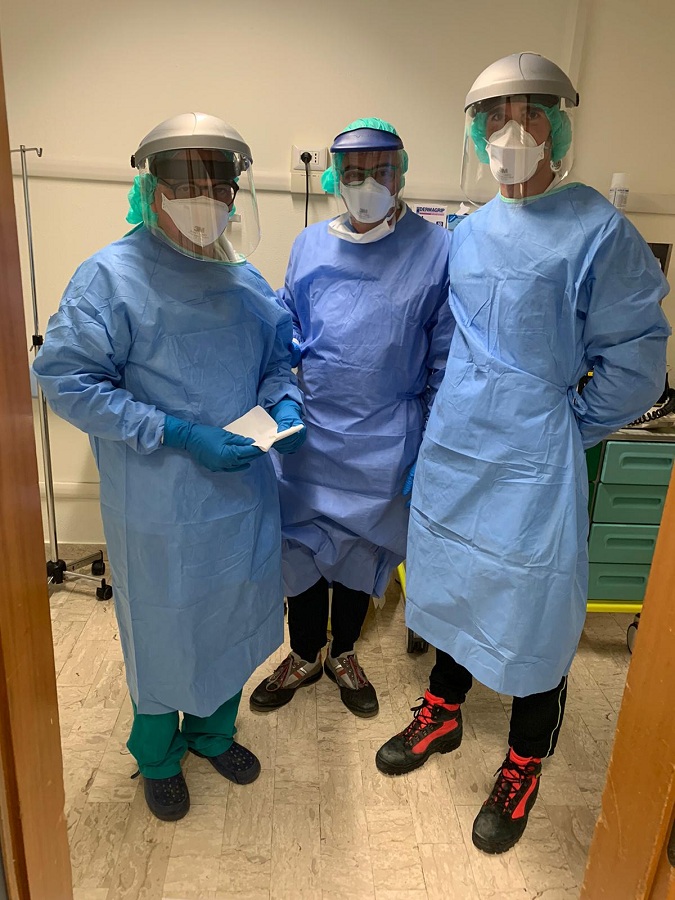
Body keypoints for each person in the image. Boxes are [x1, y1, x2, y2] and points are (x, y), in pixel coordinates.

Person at [375, 53, 671, 854]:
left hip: (533, 458)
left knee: (534, 610)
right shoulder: (466, 232)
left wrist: (564, 424)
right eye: (493, 118)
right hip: (457, 446)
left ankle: (522, 761)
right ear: (475, 133)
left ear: (556, 129)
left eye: (527, 114)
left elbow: (637, 362)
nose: (509, 133)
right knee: (453, 585)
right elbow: (456, 343)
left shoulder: (596, 231)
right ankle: (442, 711)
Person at [33, 113, 305, 821]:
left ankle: (214, 733)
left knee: (230, 616)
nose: (204, 199)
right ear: (151, 189)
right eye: (186, 183)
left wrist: (283, 405)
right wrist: (177, 432)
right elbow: (67, 379)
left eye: (219, 184)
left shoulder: (244, 280)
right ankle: (157, 754)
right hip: (160, 502)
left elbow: (278, 359)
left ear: (237, 193)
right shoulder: (110, 278)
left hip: (240, 495)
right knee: (164, 626)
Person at [249, 118, 454, 718]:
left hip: (384, 437)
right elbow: (288, 322)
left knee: (364, 549)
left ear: (401, 173)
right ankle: (304, 653)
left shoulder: (437, 249)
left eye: (381, 170)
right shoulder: (309, 244)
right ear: (336, 177)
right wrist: (280, 387)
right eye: (355, 172)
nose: (368, 184)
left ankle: (343, 654)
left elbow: (444, 357)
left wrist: (429, 443)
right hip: (311, 431)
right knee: (301, 546)